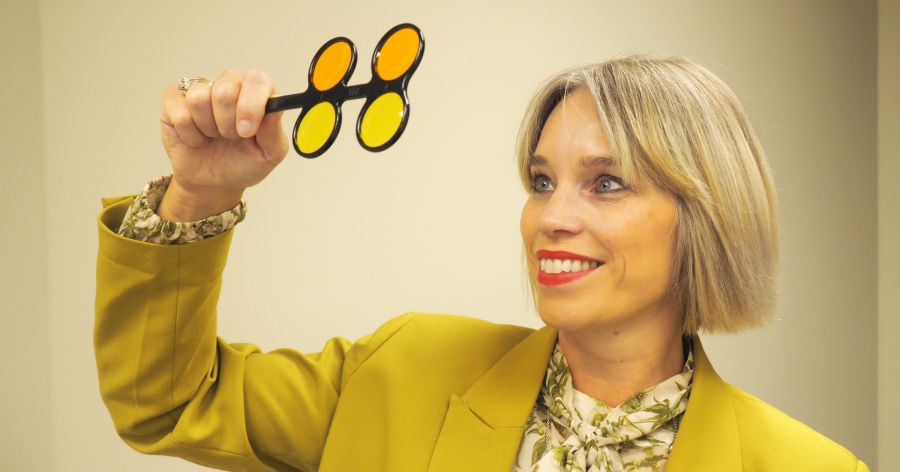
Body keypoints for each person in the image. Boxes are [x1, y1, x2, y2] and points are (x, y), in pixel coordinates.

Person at [95, 56, 869, 471]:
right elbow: (164, 403)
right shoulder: (402, 371)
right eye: (542, 180)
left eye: (606, 183)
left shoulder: (811, 468)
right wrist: (199, 193)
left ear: (706, 214)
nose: (552, 217)